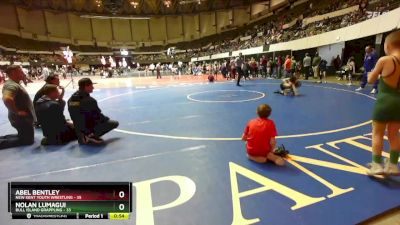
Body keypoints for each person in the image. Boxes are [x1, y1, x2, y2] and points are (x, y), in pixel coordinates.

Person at [366, 31, 400, 175]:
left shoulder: (385, 60)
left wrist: (371, 74)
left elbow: (370, 80)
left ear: (388, 45)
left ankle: (376, 165)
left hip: (385, 102)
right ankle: (392, 165)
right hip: (399, 102)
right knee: (394, 134)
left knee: (378, 133)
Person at [68, 78, 119, 145]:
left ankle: (82, 135)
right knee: (114, 123)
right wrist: (106, 119)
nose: (93, 88)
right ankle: (90, 136)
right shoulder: (89, 100)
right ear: (86, 86)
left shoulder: (71, 99)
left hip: (78, 127)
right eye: (91, 86)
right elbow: (98, 116)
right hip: (87, 127)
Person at [0, 65, 35, 149]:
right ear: (14, 73)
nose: (23, 73)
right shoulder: (12, 85)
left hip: (21, 118)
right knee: (27, 140)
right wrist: (17, 112)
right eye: (21, 72)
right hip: (21, 118)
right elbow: (7, 99)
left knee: (23, 135)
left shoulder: (14, 83)